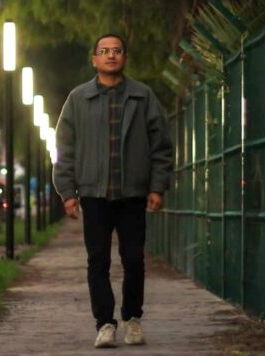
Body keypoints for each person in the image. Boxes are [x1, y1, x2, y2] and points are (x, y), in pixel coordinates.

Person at [53, 34, 173, 348]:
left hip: (132, 194)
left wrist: (157, 187)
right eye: (104, 51)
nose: (110, 56)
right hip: (94, 194)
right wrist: (67, 191)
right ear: (94, 59)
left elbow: (161, 147)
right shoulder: (78, 99)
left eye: (116, 51)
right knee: (98, 261)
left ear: (124, 57)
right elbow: (64, 149)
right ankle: (105, 323)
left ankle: (133, 319)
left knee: (133, 259)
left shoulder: (142, 96)